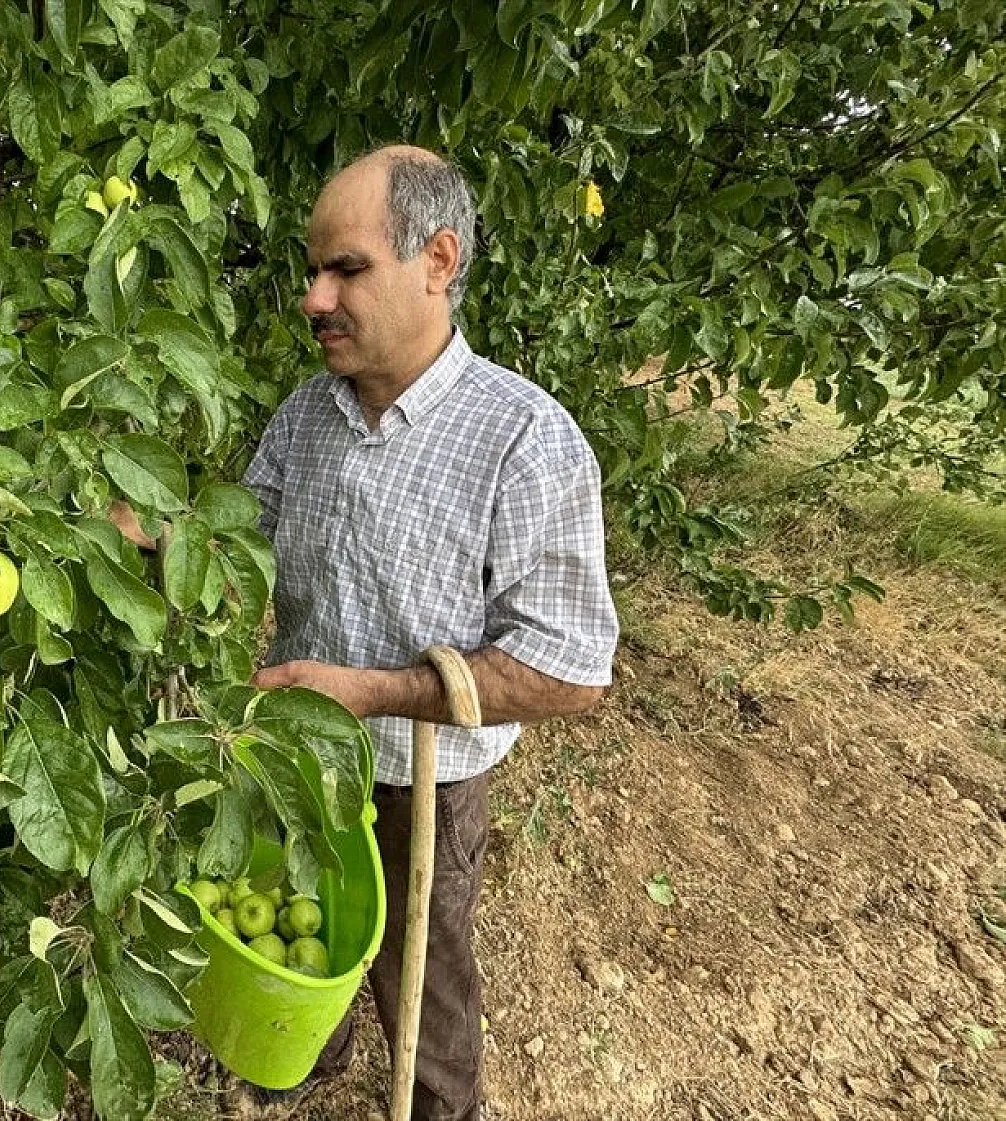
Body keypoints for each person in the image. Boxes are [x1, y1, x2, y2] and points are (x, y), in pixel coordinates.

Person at [240, 145, 620, 1120]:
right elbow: (238, 531)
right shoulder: (305, 414)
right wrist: (151, 529)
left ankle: (440, 1104)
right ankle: (301, 1055)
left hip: (427, 772)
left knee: (424, 957)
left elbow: (571, 669)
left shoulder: (521, 438)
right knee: (309, 917)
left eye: (347, 269)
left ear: (438, 260)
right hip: (307, 750)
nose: (312, 298)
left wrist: (372, 691)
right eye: (310, 268)